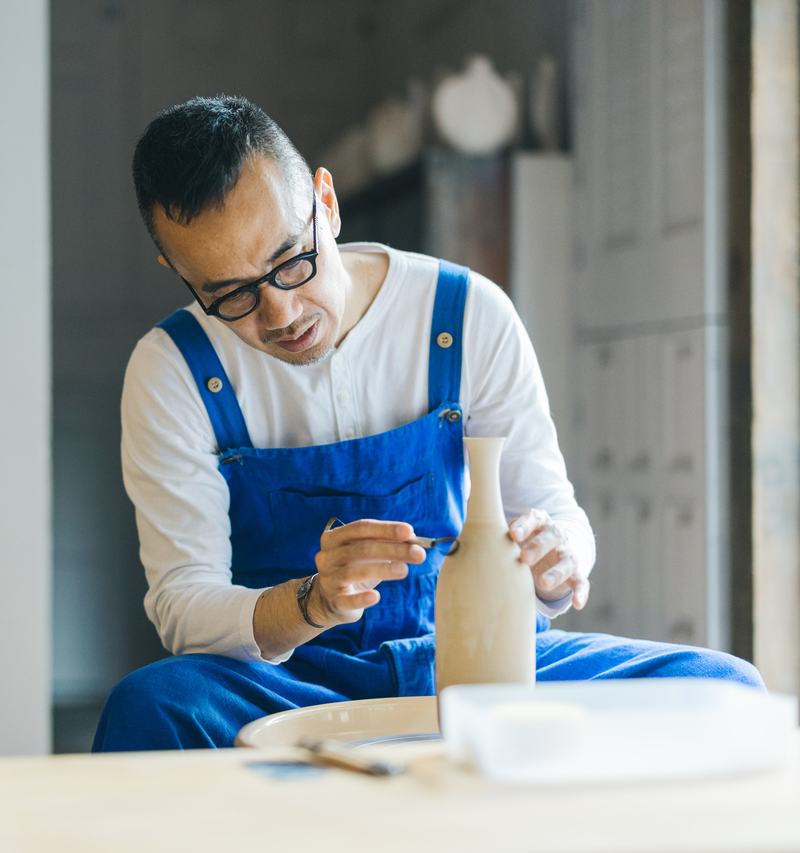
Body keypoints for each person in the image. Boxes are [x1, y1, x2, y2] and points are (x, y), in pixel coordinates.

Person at [92, 96, 762, 752]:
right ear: (178, 272)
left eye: (292, 261)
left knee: (720, 688)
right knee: (149, 706)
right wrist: (312, 602)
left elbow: (553, 509)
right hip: (290, 678)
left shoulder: (466, 312)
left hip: (471, 660)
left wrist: (560, 554)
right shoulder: (172, 370)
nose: (280, 313)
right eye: (231, 294)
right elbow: (184, 603)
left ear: (325, 202)